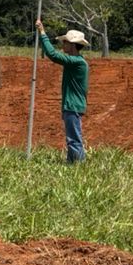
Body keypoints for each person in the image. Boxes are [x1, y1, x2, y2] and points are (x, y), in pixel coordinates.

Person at [37, 19, 90, 163]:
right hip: (72, 105)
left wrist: (42, 32)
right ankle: (71, 164)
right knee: (72, 138)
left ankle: (79, 167)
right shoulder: (76, 61)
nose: (63, 44)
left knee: (74, 140)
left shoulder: (77, 62)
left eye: (65, 42)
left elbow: (53, 55)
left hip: (72, 105)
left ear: (72, 45)